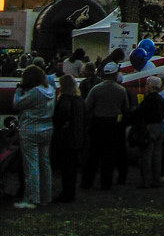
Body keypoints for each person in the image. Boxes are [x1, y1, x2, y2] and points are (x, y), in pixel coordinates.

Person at [12, 64, 56, 208]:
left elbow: (17, 104)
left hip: (31, 129)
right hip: (47, 128)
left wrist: (19, 90)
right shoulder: (50, 90)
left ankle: (32, 197)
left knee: (31, 165)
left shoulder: (35, 92)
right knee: (45, 164)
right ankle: (45, 196)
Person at [82, 61, 130, 190]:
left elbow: (87, 106)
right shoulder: (121, 90)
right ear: (115, 74)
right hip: (114, 124)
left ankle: (87, 181)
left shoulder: (96, 89)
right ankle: (106, 182)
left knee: (93, 154)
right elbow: (125, 108)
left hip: (98, 123)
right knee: (109, 155)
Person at [51, 73, 86, 202]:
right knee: (72, 168)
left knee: (66, 167)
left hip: (66, 138)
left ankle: (67, 193)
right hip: (77, 137)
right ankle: (70, 192)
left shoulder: (64, 100)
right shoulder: (79, 100)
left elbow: (59, 118)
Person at [133, 76, 164, 188]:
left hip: (149, 127)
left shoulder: (148, 100)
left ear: (150, 86)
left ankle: (146, 180)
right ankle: (156, 179)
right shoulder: (161, 100)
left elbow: (139, 113)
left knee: (146, 155)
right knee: (157, 155)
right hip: (160, 127)